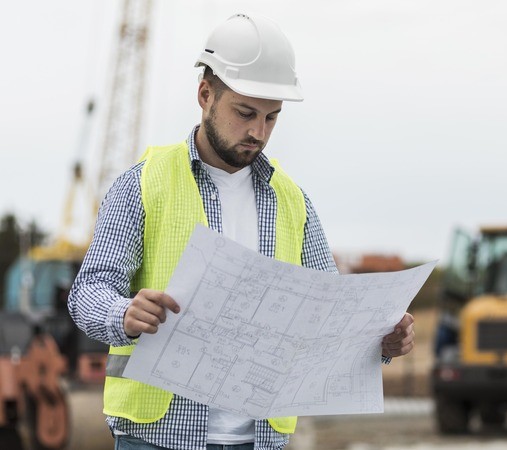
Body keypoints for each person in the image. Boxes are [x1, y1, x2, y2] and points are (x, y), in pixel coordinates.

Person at [68, 13, 415, 450]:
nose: (258, 132)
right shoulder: (142, 184)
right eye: (245, 113)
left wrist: (381, 339)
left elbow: (330, 317)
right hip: (157, 436)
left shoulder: (294, 202)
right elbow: (88, 292)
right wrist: (123, 314)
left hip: (262, 439)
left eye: (272, 118)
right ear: (205, 94)